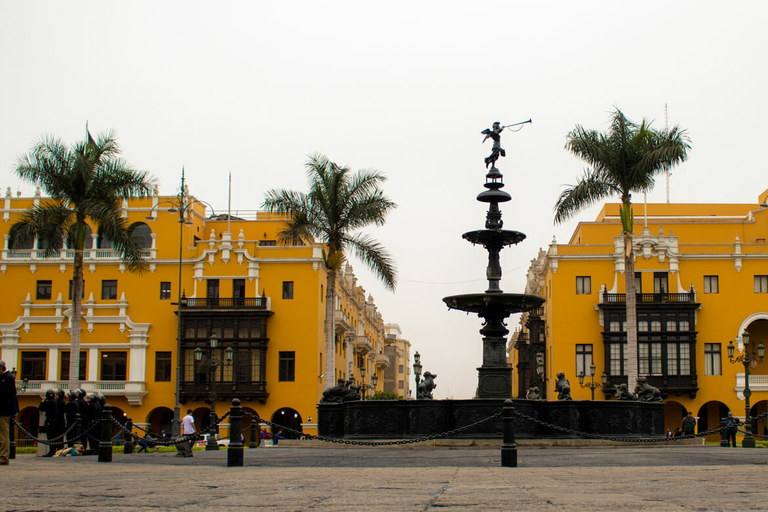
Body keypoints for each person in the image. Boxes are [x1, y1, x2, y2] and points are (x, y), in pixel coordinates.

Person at [0, 361, 19, 466]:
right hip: (2, 409)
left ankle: (4, 457)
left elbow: (10, 396)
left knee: (3, 436)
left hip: (3, 410)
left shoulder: (8, 378)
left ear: (2, 368)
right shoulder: (4, 378)